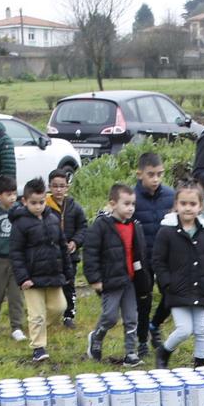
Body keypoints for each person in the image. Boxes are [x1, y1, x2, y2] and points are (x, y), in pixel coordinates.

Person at [151, 184, 204, 365]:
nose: (188, 208)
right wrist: (167, 283)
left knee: (202, 329)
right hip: (177, 290)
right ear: (176, 205)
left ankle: (200, 364)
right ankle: (163, 352)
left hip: (202, 289)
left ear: (200, 206)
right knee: (184, 329)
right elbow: (158, 261)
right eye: (183, 203)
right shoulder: (166, 231)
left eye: (192, 203)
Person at [82, 183, 145, 366]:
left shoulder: (135, 226)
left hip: (130, 281)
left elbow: (140, 253)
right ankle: (96, 337)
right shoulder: (101, 226)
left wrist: (144, 278)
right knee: (110, 317)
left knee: (131, 318)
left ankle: (131, 353)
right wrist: (94, 279)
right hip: (110, 280)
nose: (130, 208)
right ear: (112, 204)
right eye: (126, 204)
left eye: (133, 204)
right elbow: (91, 252)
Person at [10, 177, 68, 363]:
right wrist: (22, 277)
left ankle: (38, 326)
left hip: (53, 274)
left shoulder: (53, 218)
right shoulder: (20, 224)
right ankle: (38, 347)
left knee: (60, 307)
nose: (38, 206)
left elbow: (62, 246)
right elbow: (16, 252)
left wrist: (67, 271)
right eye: (33, 203)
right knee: (36, 314)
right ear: (24, 201)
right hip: (31, 279)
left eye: (41, 202)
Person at [133, 151, 173, 349]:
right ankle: (141, 341)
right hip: (142, 258)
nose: (156, 179)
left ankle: (154, 325)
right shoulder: (131, 199)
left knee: (172, 294)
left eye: (160, 174)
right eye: (151, 174)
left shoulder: (171, 196)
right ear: (139, 174)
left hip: (166, 258)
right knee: (144, 300)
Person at [0, 176, 26, 341]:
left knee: (16, 296)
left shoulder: (19, 211)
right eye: (8, 194)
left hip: (16, 259)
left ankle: (16, 327)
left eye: (14, 193)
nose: (12, 198)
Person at [47, 168, 87, 328]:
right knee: (51, 285)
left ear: (67, 187)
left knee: (69, 285)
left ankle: (69, 315)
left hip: (70, 256)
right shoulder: (45, 207)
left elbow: (83, 227)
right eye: (55, 186)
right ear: (49, 186)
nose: (58, 190)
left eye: (61, 186)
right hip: (51, 255)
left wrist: (75, 242)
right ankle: (50, 313)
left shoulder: (75, 207)